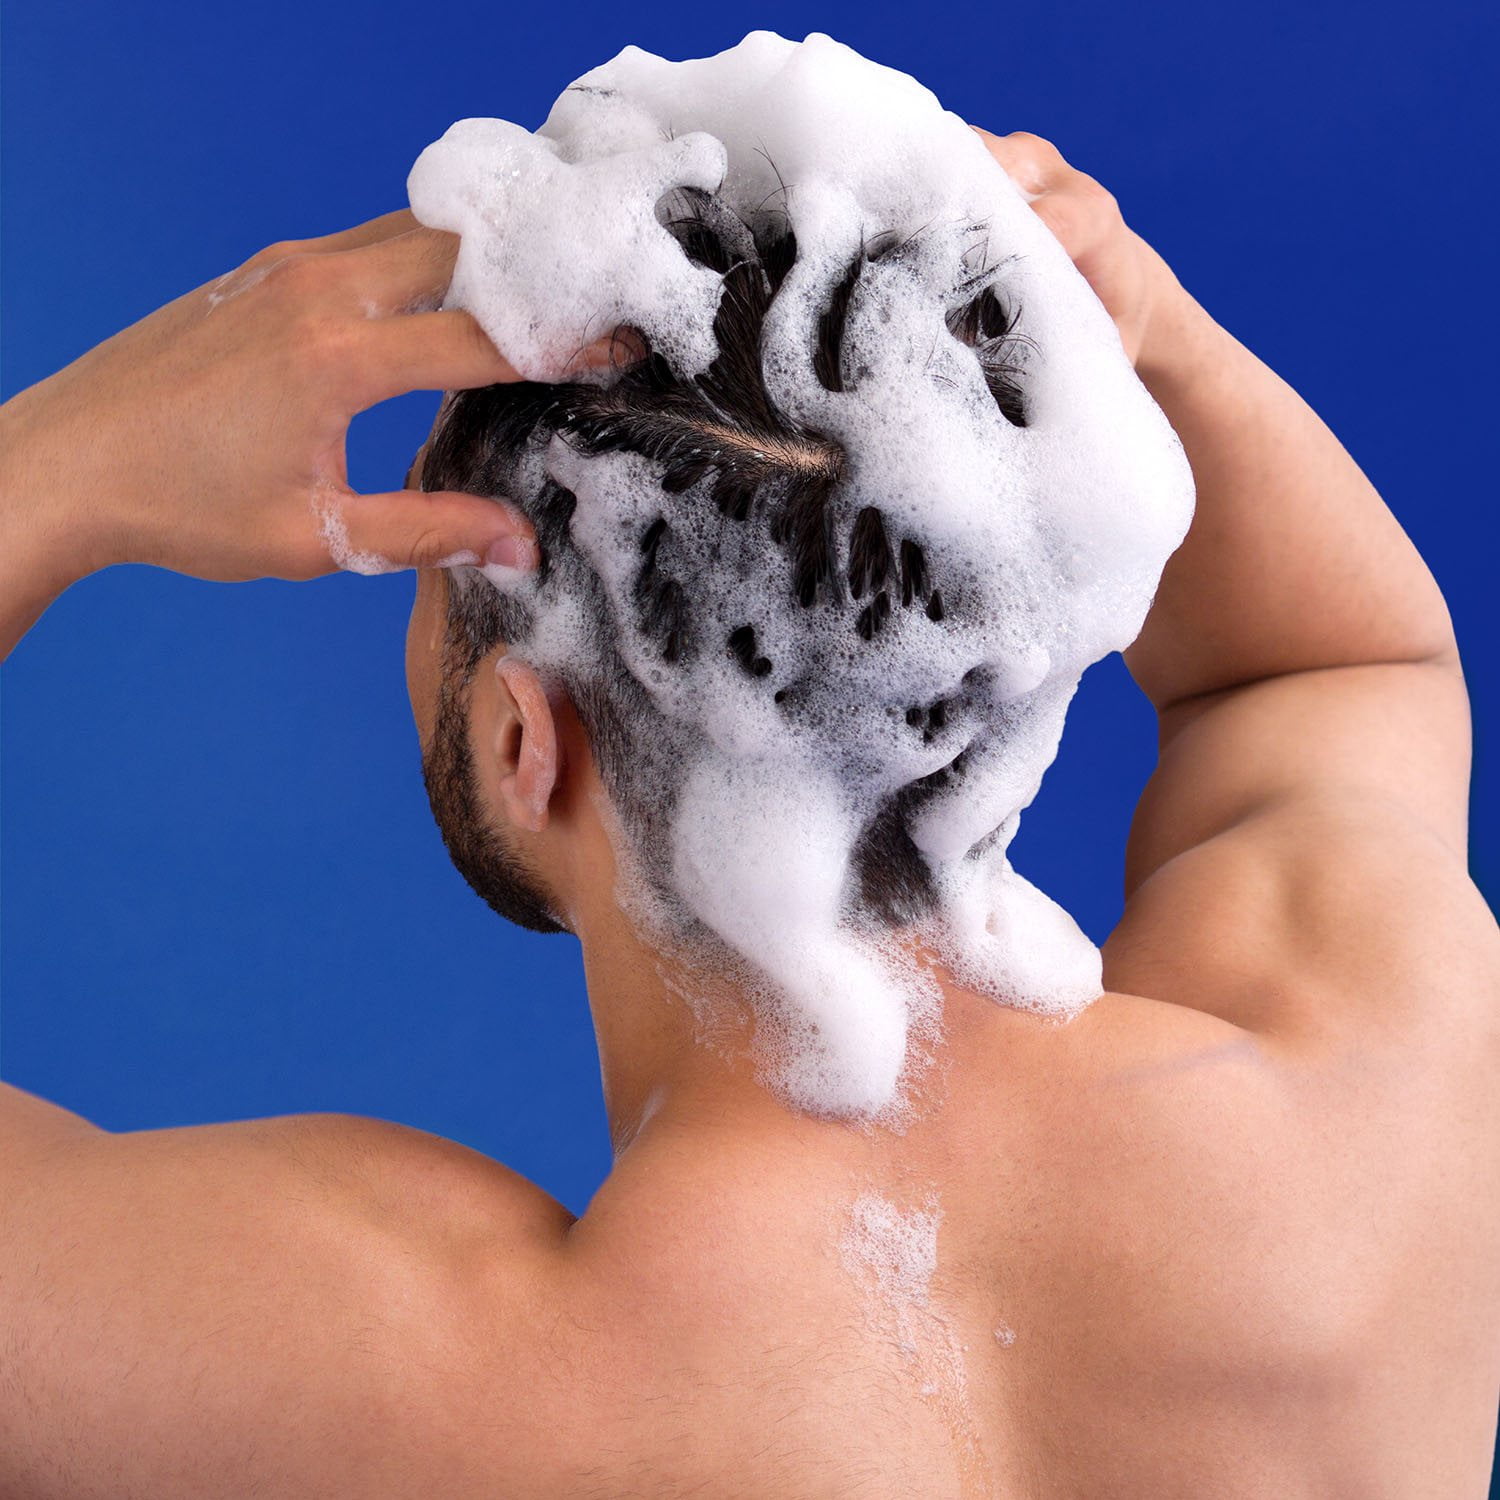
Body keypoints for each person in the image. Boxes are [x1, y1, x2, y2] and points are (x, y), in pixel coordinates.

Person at [0, 127, 1495, 1497]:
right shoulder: (1366, 1098)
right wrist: (1138, 325)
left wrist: (66, 456)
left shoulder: (448, 1382)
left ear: (525, 737)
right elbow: (1337, 667)